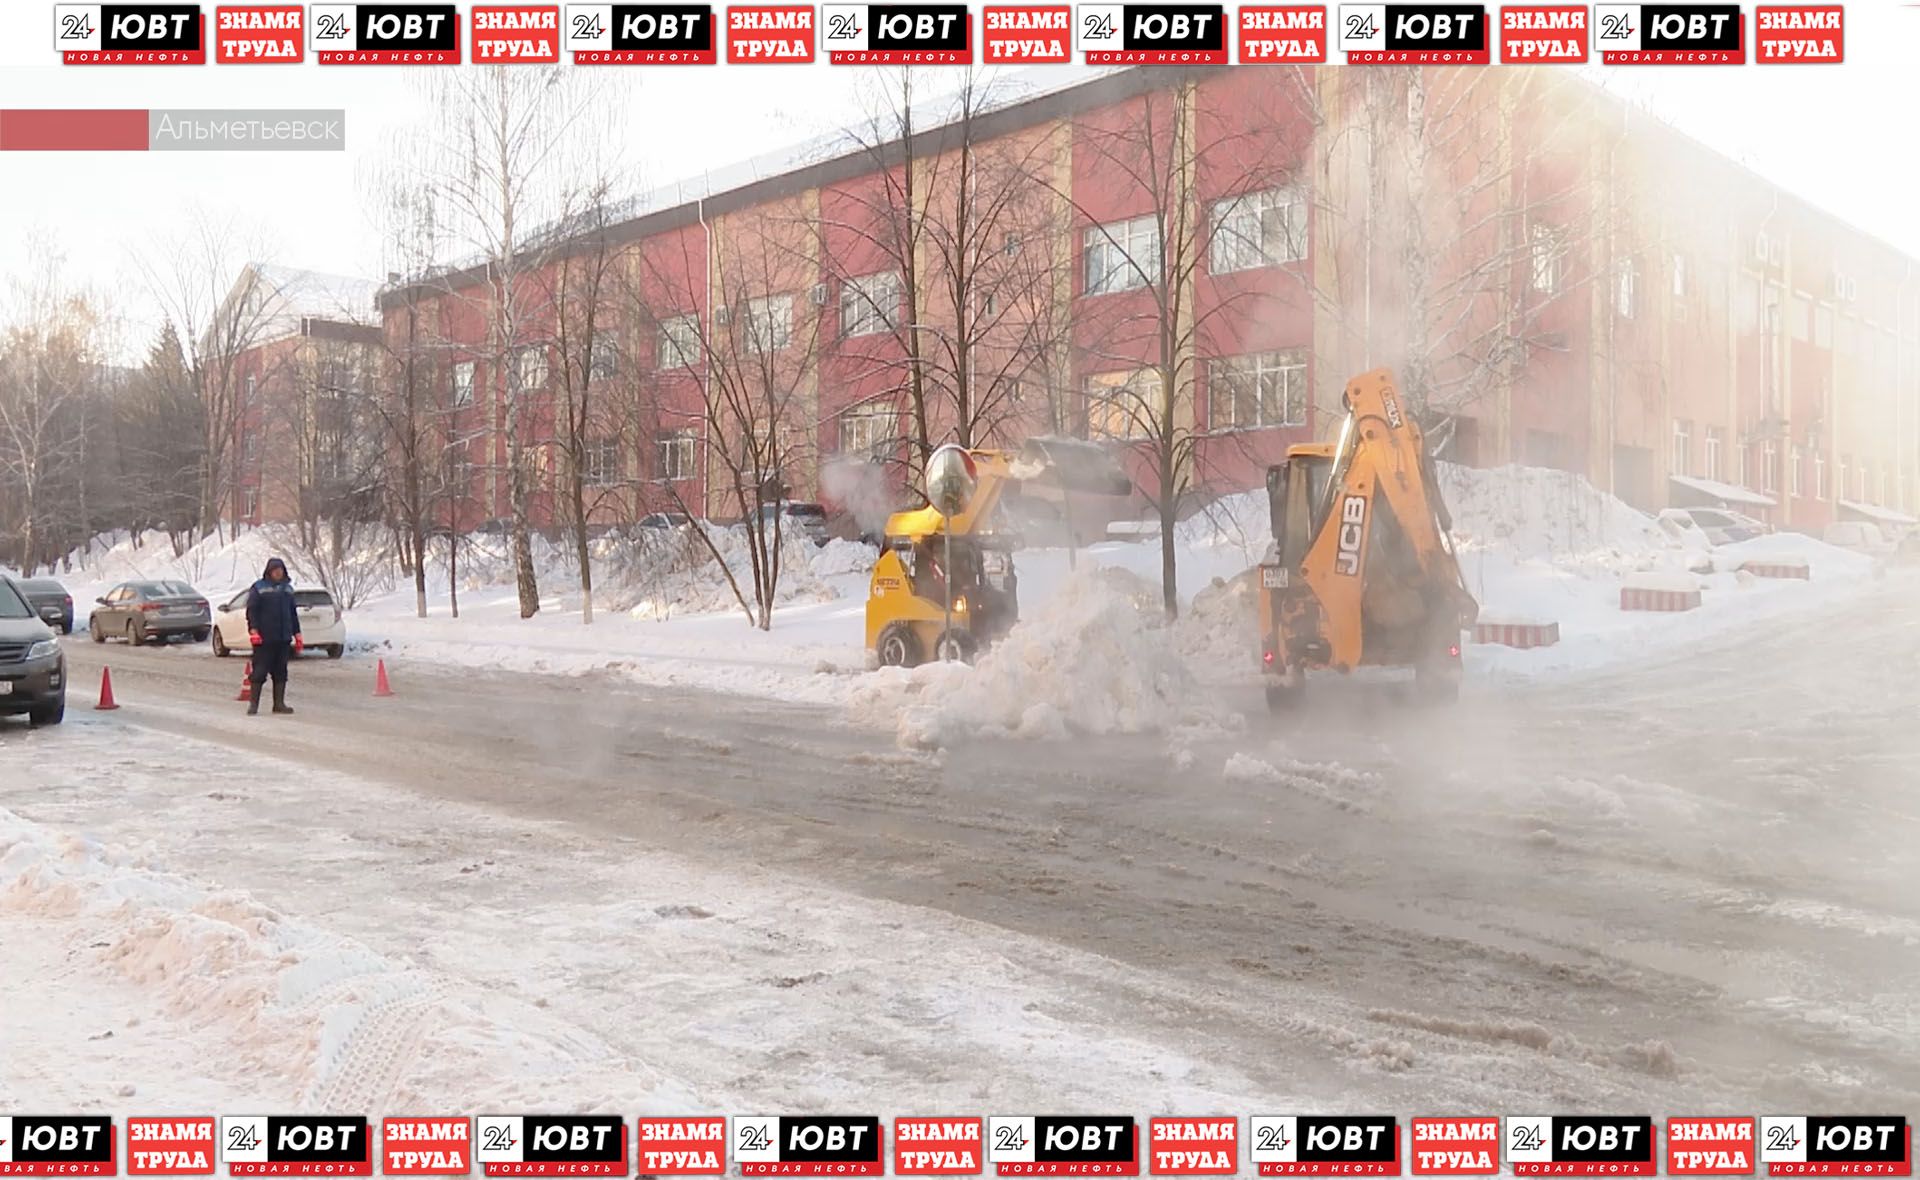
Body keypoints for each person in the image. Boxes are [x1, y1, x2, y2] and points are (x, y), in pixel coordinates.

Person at [245, 557, 303, 716]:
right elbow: (252, 611)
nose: (278, 573)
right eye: (275, 570)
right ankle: (253, 705)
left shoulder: (288, 589)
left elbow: (292, 614)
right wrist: (254, 630)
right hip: (264, 639)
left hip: (283, 638)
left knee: (281, 672)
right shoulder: (259, 588)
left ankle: (279, 704)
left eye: (280, 570)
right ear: (269, 572)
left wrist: (297, 634)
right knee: (259, 671)